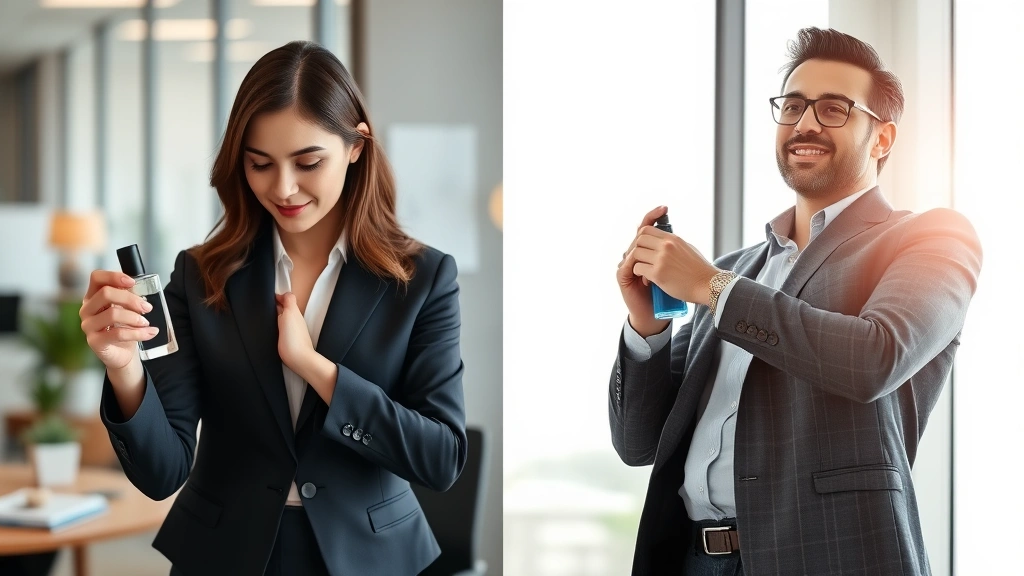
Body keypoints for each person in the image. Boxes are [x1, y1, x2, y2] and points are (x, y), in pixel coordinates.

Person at [79, 41, 466, 576]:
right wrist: (124, 369)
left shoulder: (423, 279)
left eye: (308, 162)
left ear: (357, 145)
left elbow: (441, 459)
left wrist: (317, 369)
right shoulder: (201, 275)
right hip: (224, 555)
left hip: (370, 558)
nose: (283, 188)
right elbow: (162, 472)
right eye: (260, 164)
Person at [609, 27, 981, 576]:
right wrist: (647, 328)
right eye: (794, 106)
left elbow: (875, 358)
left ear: (882, 140)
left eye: (833, 109)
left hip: (829, 557)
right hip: (690, 559)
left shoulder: (932, 238)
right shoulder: (738, 270)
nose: (805, 123)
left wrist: (710, 288)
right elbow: (639, 445)